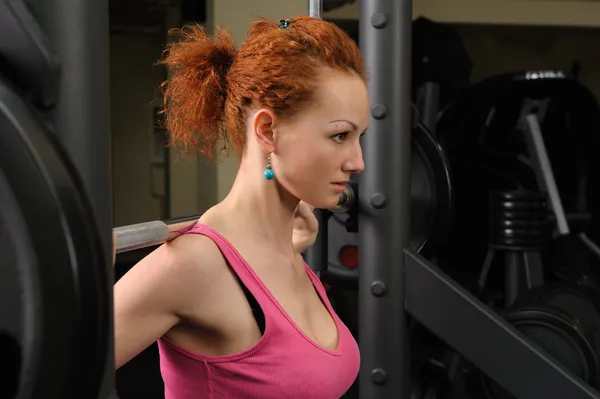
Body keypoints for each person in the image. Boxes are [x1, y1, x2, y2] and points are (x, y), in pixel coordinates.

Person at [113, 15, 369, 399]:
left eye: (358, 137)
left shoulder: (285, 251)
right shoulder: (192, 265)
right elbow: (45, 370)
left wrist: (285, 246)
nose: (357, 161)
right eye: (340, 135)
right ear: (267, 131)